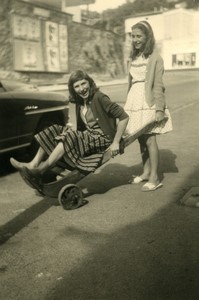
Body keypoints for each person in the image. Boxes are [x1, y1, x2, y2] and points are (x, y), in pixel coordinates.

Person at [10, 70, 129, 189]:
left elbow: (123, 117)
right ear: (73, 89)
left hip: (102, 139)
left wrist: (115, 142)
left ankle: (41, 170)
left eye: (83, 83)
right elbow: (81, 129)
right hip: (89, 137)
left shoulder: (100, 97)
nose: (82, 89)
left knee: (68, 136)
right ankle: (33, 164)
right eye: (77, 86)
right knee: (53, 130)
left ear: (90, 83)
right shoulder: (80, 101)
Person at [124, 20, 172, 192]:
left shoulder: (155, 58)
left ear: (147, 37)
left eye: (139, 36)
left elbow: (158, 85)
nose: (135, 39)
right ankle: (145, 172)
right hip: (133, 102)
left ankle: (155, 177)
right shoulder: (133, 57)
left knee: (150, 139)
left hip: (148, 101)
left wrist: (159, 108)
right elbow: (131, 84)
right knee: (140, 139)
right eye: (133, 36)